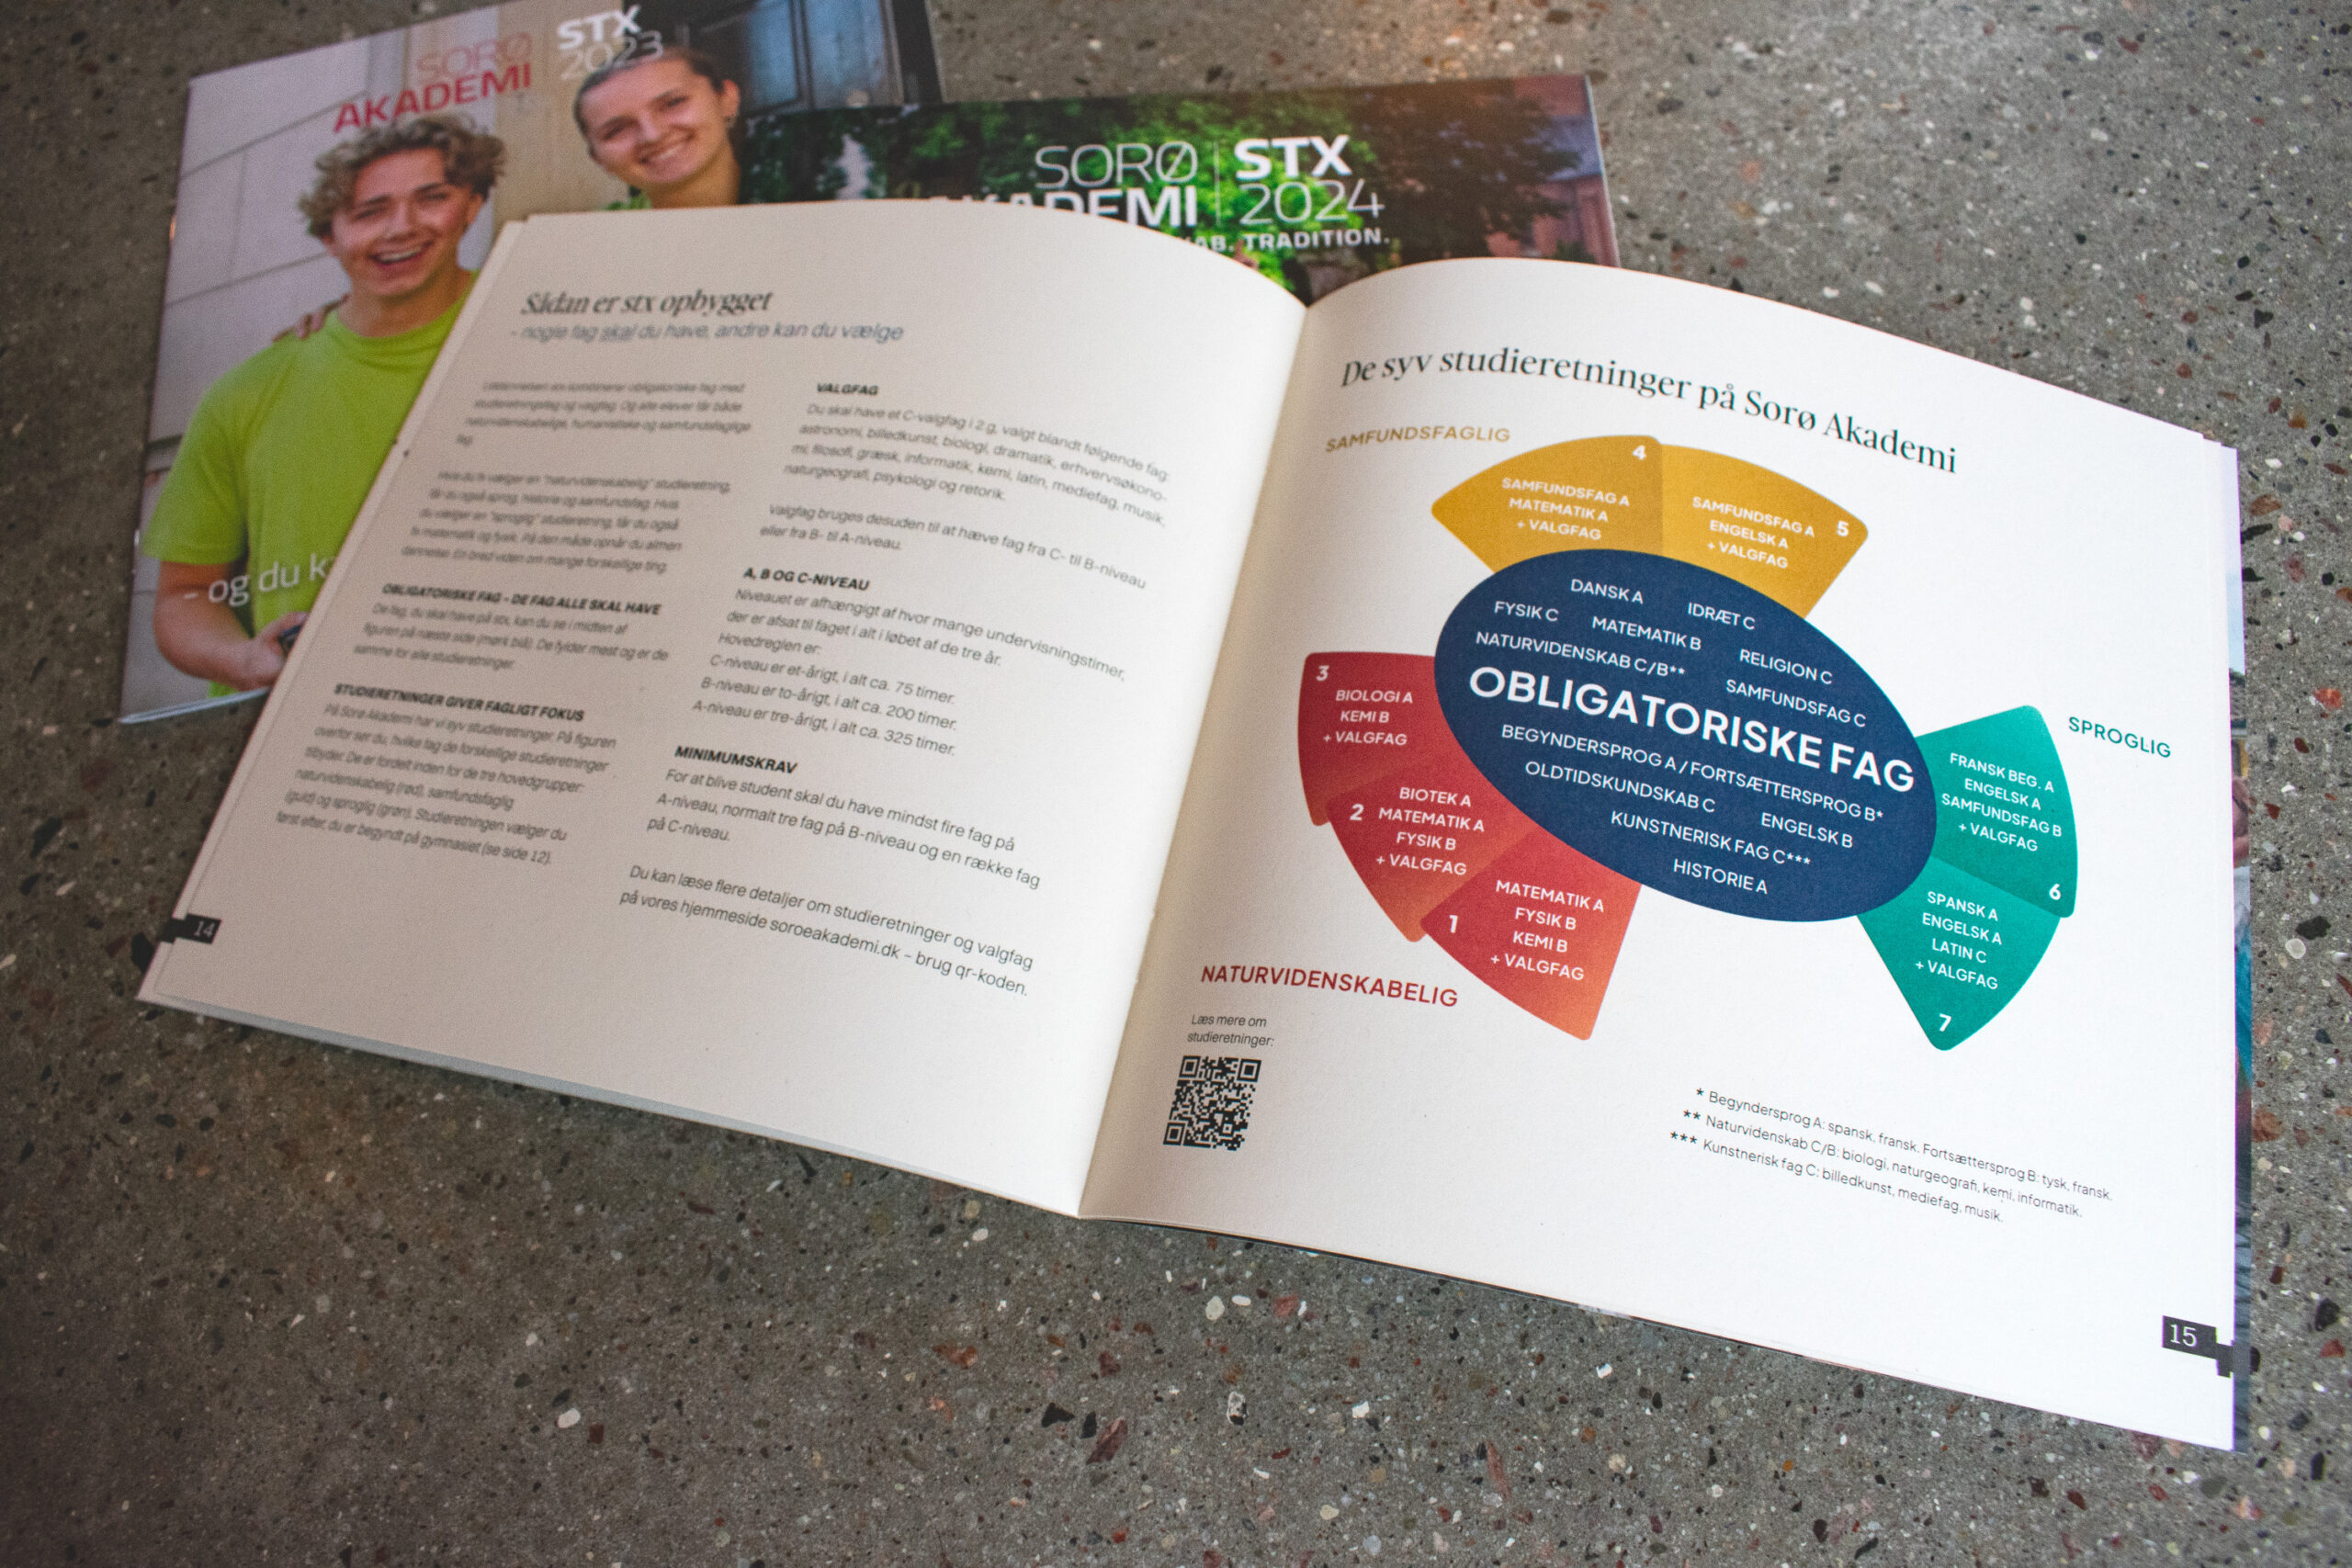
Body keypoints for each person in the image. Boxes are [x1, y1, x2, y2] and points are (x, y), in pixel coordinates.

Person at [145, 115, 503, 693]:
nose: (402, 228)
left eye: (432, 198)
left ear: (472, 205)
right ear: (328, 238)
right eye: (369, 212)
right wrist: (243, 661)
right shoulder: (246, 392)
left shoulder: (541, 327)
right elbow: (184, 594)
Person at [573, 46, 744, 209]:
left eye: (673, 103)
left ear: (726, 98)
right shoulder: (593, 227)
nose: (652, 135)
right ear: (598, 159)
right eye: (617, 130)